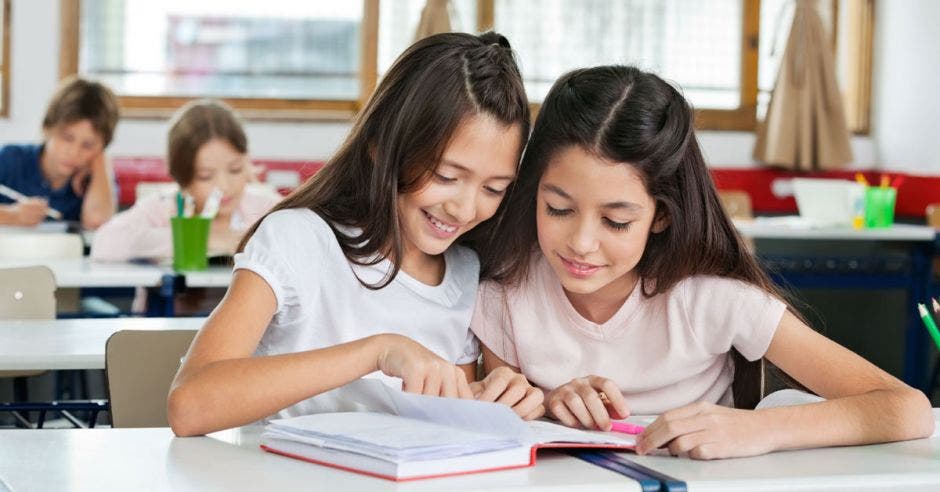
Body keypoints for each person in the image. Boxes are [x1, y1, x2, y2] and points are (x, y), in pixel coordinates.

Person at [470, 65, 933, 460]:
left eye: (615, 221)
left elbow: (904, 408)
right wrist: (550, 403)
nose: (582, 243)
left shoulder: (711, 299)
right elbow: (510, 418)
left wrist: (756, 429)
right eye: (558, 209)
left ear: (661, 215)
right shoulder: (505, 288)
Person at [168, 32, 542, 437]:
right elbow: (189, 406)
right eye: (446, 176)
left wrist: (488, 399)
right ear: (381, 147)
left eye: (494, 189)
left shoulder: (466, 271)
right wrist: (376, 351)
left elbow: (442, 420)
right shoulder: (299, 240)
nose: (465, 209)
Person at [91, 99, 279, 261]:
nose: (224, 186)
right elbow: (104, 243)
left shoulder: (266, 208)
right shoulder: (164, 207)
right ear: (182, 178)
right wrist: (202, 239)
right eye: (205, 176)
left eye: (235, 169)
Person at [0, 76, 119, 229]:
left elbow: (97, 222)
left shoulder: (97, 177)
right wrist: (12, 215)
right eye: (67, 138)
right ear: (47, 128)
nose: (74, 152)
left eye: (88, 145)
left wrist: (99, 162)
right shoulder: (11, 159)